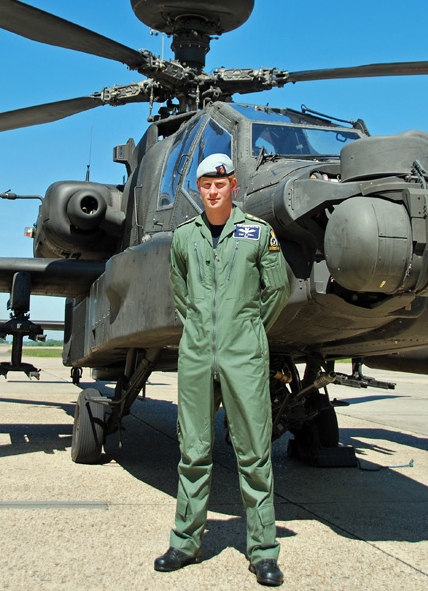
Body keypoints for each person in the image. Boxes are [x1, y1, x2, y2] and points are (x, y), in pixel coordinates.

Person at [155, 152, 290, 587]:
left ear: (233, 186)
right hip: (196, 354)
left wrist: (247, 330)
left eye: (221, 183)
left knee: (253, 454)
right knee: (193, 451)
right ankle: (185, 542)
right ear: (199, 189)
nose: (213, 191)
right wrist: (201, 329)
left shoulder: (258, 233)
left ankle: (264, 551)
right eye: (206, 185)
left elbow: (278, 290)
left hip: (243, 355)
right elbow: (180, 291)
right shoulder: (183, 238)